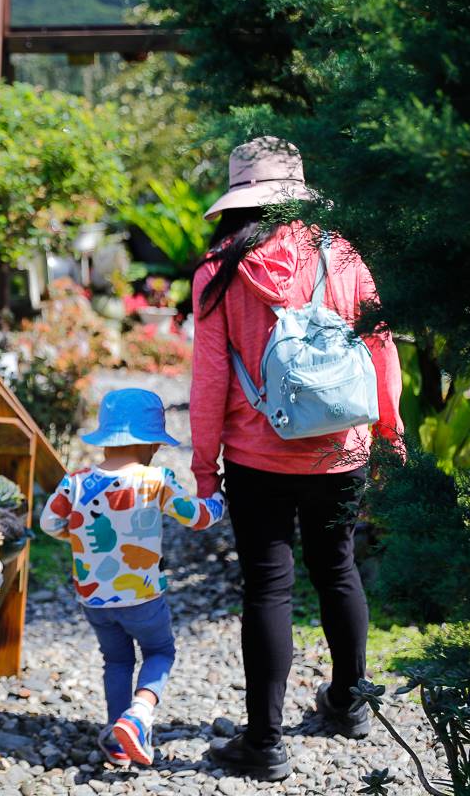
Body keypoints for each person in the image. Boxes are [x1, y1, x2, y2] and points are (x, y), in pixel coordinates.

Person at [190, 137, 403, 780]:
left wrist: (205, 467)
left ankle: (264, 742)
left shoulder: (221, 268)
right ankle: (348, 702)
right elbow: (381, 347)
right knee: (337, 567)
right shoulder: (344, 255)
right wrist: (388, 431)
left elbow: (208, 381)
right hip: (342, 446)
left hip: (260, 453)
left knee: (268, 586)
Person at [39, 388, 224, 767]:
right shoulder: (155, 480)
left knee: (117, 661)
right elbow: (198, 517)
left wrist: (75, 534)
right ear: (150, 444)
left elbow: (49, 523)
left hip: (94, 599)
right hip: (143, 597)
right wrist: (219, 497)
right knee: (159, 651)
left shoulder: (75, 482)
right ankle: (139, 714)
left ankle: (117, 738)